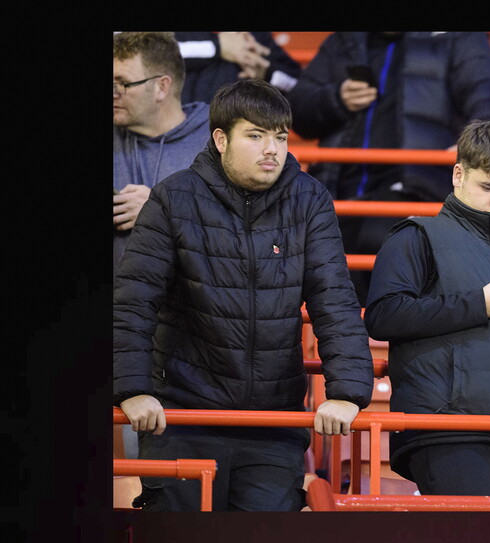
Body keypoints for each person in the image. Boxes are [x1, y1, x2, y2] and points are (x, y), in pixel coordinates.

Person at [113, 79, 374, 511]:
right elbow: (134, 300)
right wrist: (132, 389)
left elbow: (334, 299)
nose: (271, 148)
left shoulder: (310, 199)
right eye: (256, 136)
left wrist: (347, 392)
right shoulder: (173, 198)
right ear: (220, 139)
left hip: (273, 423)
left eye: (280, 136)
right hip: (183, 419)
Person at [363, 120, 490, 496]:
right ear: (458, 174)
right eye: (488, 187)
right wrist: (477, 305)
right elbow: (383, 314)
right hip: (449, 429)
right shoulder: (416, 235)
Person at [286, 32, 490, 303]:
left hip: (418, 188)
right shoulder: (345, 40)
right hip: (336, 193)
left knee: (376, 247)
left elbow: (487, 100)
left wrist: (476, 147)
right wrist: (335, 98)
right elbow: (297, 109)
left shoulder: (458, 38)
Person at [114, 31, 211, 278]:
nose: (113, 93)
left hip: (194, 309)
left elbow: (250, 228)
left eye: (122, 83)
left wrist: (161, 211)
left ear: (161, 87)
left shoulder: (220, 140)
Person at [175, 32, 302, 104]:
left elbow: (298, 86)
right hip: (176, 137)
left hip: (238, 137)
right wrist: (217, 47)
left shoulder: (249, 37)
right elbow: (158, 53)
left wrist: (266, 73)